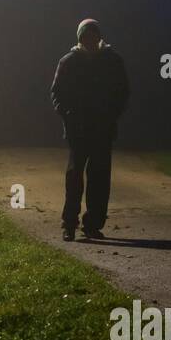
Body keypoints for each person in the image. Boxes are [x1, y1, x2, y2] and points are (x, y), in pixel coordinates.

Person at [50, 18, 129, 241]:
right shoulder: (69, 61)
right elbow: (57, 92)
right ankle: (69, 223)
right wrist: (68, 115)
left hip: (103, 129)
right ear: (80, 38)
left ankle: (93, 224)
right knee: (74, 177)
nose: (90, 39)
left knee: (100, 178)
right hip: (78, 130)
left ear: (99, 36)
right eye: (86, 36)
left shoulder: (112, 61)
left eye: (93, 35)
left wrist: (112, 115)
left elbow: (123, 91)